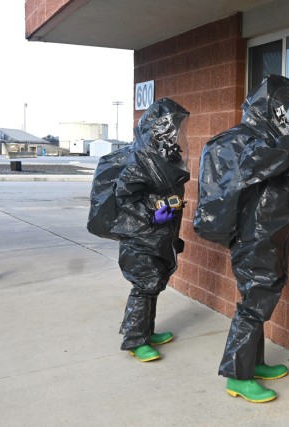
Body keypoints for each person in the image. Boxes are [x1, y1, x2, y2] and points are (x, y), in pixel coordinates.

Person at [193, 75, 289, 402]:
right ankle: (237, 375)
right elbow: (258, 163)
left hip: (270, 235)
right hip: (253, 236)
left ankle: (253, 363)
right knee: (254, 305)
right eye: (285, 107)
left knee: (258, 300)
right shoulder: (244, 140)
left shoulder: (273, 142)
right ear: (270, 108)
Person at [104, 98, 190, 362]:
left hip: (159, 234)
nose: (176, 132)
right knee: (143, 286)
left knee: (153, 284)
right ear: (157, 128)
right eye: (171, 126)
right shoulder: (140, 158)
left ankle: (145, 331)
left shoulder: (164, 155)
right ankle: (134, 339)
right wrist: (151, 213)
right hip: (141, 236)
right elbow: (124, 198)